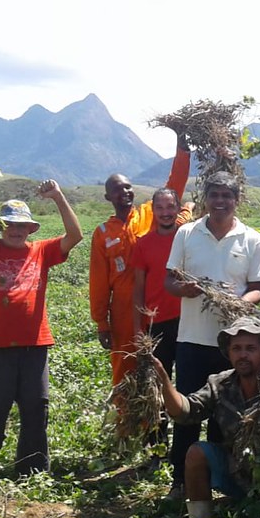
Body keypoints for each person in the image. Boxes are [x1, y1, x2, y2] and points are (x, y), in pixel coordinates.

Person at [0, 181, 84, 475]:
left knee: (36, 408)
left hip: (35, 345)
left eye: (22, 225)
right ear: (1, 225)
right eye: (10, 223)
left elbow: (75, 235)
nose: (16, 229)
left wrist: (59, 196)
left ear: (31, 229)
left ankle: (32, 471)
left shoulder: (41, 251)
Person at [151, 316, 260, 518]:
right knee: (197, 453)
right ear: (229, 353)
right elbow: (186, 412)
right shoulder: (221, 383)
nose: (243, 355)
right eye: (237, 348)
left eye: (250, 348)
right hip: (241, 476)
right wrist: (163, 381)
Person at [164, 171, 260, 497]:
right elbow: (169, 281)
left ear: (237, 201)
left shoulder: (252, 238)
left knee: (226, 415)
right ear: (205, 198)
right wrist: (185, 289)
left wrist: (238, 304)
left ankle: (222, 481)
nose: (220, 201)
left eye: (227, 196)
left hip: (233, 346)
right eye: (215, 195)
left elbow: (258, 289)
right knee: (187, 413)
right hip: (192, 339)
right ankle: (180, 480)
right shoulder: (186, 233)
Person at [89, 132, 190, 387]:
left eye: (128, 187)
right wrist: (102, 322)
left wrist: (182, 150)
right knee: (126, 367)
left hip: (158, 304)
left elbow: (175, 185)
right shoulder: (102, 234)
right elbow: (98, 282)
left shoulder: (150, 213)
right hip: (124, 311)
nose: (124, 192)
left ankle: (159, 418)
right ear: (108, 197)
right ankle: (130, 423)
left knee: (160, 368)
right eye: (117, 189)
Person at [129, 187, 189, 379]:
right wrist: (138, 329)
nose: (165, 213)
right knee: (159, 380)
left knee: (187, 377)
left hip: (187, 320)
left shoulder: (188, 238)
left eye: (170, 207)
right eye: (160, 207)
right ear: (153, 210)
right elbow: (138, 288)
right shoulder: (143, 244)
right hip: (156, 322)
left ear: (178, 209)